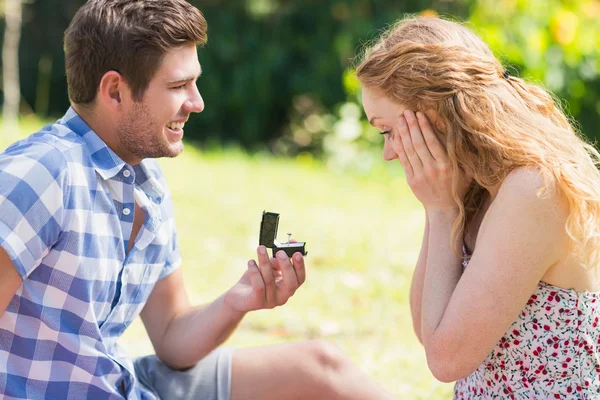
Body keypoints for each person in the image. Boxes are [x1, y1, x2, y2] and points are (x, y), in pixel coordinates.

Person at [0, 1, 396, 399]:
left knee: (320, 367)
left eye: (193, 82)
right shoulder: (42, 173)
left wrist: (239, 300)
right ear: (115, 91)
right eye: (177, 86)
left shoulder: (145, 182)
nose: (197, 102)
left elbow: (172, 336)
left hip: (126, 384)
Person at [357, 15, 600, 399]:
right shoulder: (474, 185)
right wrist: (441, 206)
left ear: (434, 114)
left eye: (388, 131)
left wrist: (441, 212)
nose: (389, 152)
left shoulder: (532, 188)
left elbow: (446, 359)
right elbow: (429, 329)